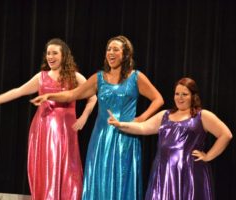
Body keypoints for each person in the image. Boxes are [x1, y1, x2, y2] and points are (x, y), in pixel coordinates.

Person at [30, 35, 164, 200]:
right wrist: (50, 95)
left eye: (115, 49)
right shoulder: (99, 78)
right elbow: (73, 94)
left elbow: (158, 99)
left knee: (122, 179)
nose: (111, 53)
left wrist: (140, 119)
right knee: (99, 178)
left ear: (126, 54)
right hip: (101, 137)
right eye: (108, 49)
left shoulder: (135, 77)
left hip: (125, 137)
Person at [0, 38, 97, 200]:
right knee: (47, 167)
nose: (50, 56)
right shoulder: (41, 77)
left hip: (66, 129)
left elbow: (93, 98)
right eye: (48, 53)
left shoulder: (75, 77)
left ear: (64, 56)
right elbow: (19, 91)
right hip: (43, 129)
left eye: (55, 53)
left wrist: (84, 117)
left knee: (67, 168)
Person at [108, 77, 233, 200]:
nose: (180, 97)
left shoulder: (202, 116)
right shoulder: (165, 115)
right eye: (177, 94)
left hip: (189, 172)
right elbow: (142, 127)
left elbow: (226, 134)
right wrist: (120, 124)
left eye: (184, 94)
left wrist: (208, 156)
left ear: (193, 96)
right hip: (165, 171)